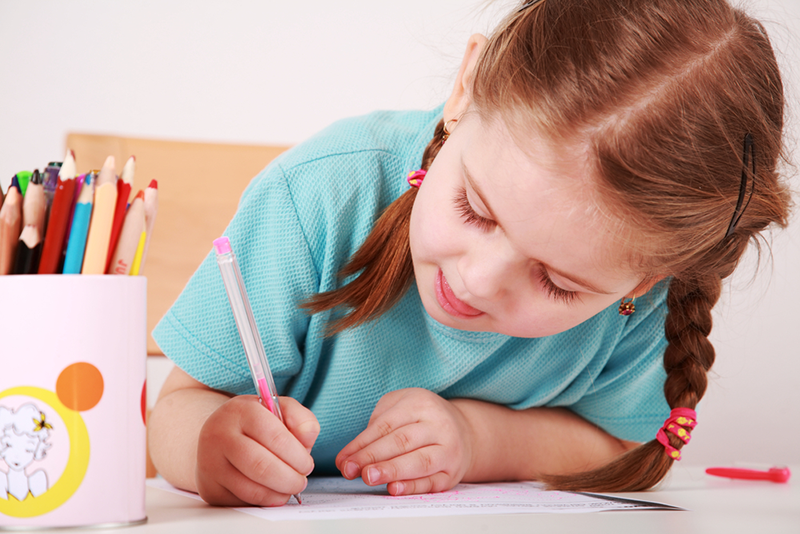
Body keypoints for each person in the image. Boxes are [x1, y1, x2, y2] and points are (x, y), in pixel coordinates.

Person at [148, 0, 791, 507]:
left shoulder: (637, 297)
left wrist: (476, 439)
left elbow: (626, 444)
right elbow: (172, 410)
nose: (478, 280)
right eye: (475, 209)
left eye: (558, 282)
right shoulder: (318, 194)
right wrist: (210, 450)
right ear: (465, 88)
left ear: (649, 279)